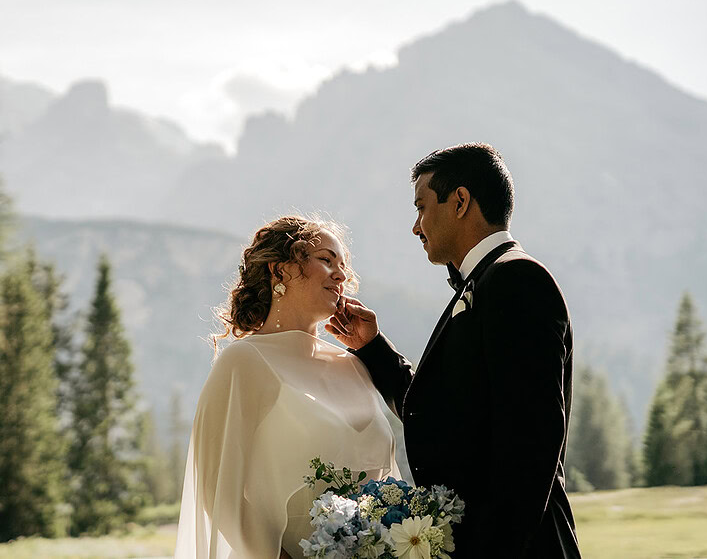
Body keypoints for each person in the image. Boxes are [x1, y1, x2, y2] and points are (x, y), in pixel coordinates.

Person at [327, 143, 581, 558]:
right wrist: (371, 347)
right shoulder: (486, 282)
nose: (415, 226)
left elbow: (529, 448)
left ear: (460, 201)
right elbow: (439, 411)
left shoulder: (517, 281)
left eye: (421, 207)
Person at [174, 216, 398, 559]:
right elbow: (215, 486)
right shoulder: (244, 362)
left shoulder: (354, 365)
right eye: (326, 260)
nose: (340, 275)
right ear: (280, 271)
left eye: (343, 265)